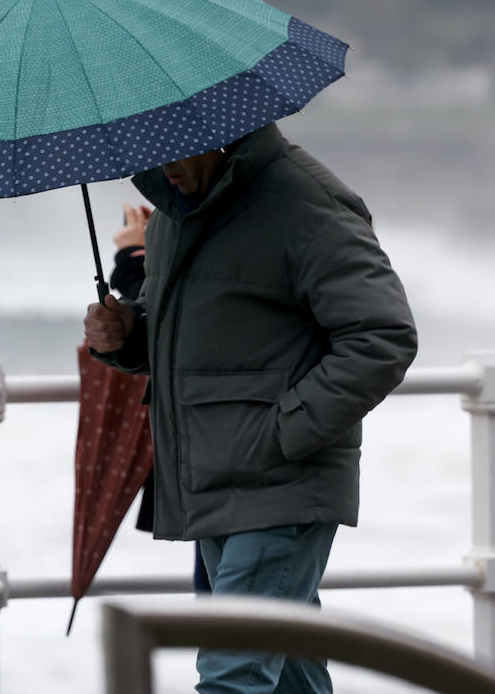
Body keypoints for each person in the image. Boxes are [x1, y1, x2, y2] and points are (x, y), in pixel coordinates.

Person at [85, 123, 417, 694]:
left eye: (175, 142)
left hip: (277, 481)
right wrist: (126, 334)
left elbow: (382, 337)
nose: (164, 161)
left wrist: (282, 435)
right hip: (214, 478)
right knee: (288, 674)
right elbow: (195, 332)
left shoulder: (304, 201)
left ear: (221, 128)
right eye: (152, 143)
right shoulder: (174, 214)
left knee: (231, 675)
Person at [112, 203, 211, 595]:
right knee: (256, 630)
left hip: (230, 454)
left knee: (232, 628)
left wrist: (134, 258)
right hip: (216, 457)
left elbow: (188, 322)